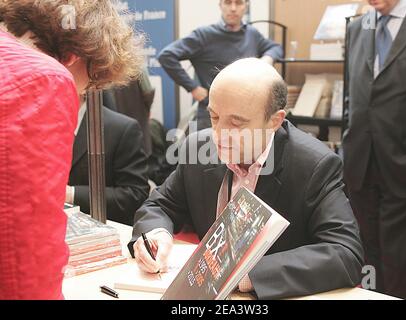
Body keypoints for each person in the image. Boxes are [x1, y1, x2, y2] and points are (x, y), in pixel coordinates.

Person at [129, 58, 364, 299]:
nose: (219, 134)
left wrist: (245, 274)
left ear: (275, 121)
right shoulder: (198, 149)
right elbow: (160, 205)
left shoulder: (313, 164)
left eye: (236, 123)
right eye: (214, 117)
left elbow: (345, 253)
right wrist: (156, 235)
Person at [0, 0, 144, 299]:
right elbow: (26, 262)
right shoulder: (42, 79)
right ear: (73, 56)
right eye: (91, 82)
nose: (84, 93)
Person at [344, 0, 406, 299]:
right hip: (361, 166)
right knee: (367, 263)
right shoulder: (358, 26)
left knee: (403, 265)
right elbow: (353, 94)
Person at [158, 0, 283, 131]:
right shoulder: (204, 35)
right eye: (228, 2)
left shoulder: (252, 34)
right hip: (212, 116)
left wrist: (267, 59)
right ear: (221, 5)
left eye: (239, 3)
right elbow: (166, 56)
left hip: (246, 114)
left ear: (246, 6)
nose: (233, 8)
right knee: (208, 151)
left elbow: (275, 47)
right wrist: (192, 87)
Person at [66, 97, 149, 226]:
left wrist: (71, 194)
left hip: (100, 230)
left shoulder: (120, 128)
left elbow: (134, 195)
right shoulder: (38, 126)